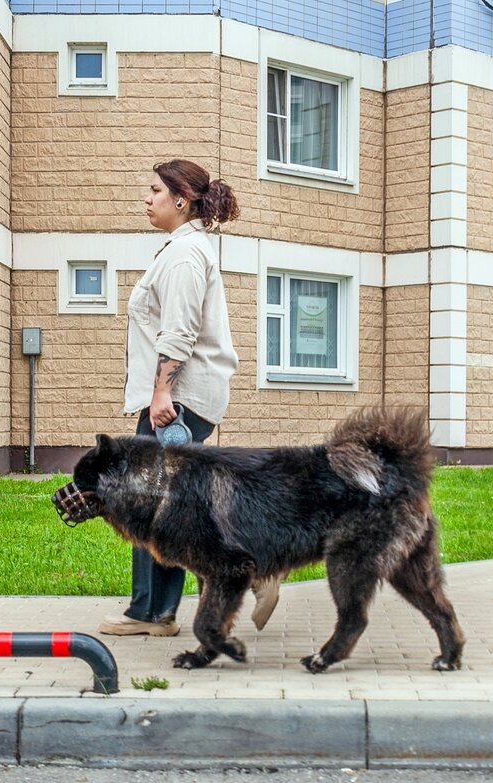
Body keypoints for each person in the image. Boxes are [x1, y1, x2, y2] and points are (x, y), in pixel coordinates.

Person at [98, 159, 280, 637]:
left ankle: (160, 607)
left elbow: (179, 330)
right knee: (171, 506)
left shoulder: (183, 255)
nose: (147, 197)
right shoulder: (183, 249)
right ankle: (159, 612)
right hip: (183, 397)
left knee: (146, 502)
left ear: (181, 200)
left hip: (177, 399)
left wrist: (161, 394)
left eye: (155, 190)